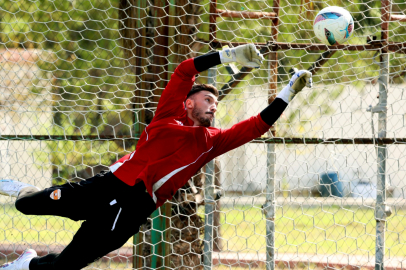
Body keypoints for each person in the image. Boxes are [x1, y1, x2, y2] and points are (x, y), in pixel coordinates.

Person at [0, 44, 312, 270]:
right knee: (25, 205)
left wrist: (289, 91)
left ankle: (27, 264)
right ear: (188, 103)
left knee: (63, 267)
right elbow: (184, 70)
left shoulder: (211, 142)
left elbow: (257, 125)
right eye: (207, 99)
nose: (214, 106)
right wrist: (228, 56)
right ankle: (20, 189)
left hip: (135, 208)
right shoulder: (165, 117)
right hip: (107, 187)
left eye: (217, 103)